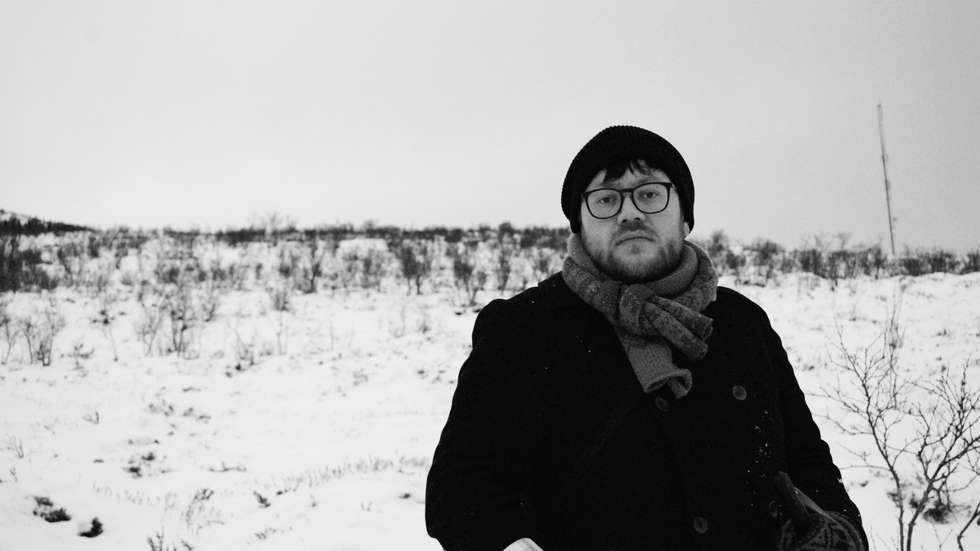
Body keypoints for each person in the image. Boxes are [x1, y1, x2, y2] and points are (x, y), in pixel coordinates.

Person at [425, 125, 866, 551]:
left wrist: (838, 529)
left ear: (685, 216)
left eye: (650, 194)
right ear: (579, 224)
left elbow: (808, 462)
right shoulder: (521, 330)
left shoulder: (743, 323)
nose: (630, 213)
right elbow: (460, 490)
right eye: (606, 199)